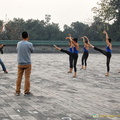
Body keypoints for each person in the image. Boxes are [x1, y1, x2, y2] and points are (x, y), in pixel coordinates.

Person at [15, 31, 34, 96]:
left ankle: (17, 91)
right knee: (27, 77)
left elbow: (17, 50)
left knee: (19, 77)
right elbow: (32, 51)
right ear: (27, 36)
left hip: (20, 62)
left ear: (21, 36)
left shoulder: (18, 43)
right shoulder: (30, 44)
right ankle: (26, 91)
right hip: (27, 63)